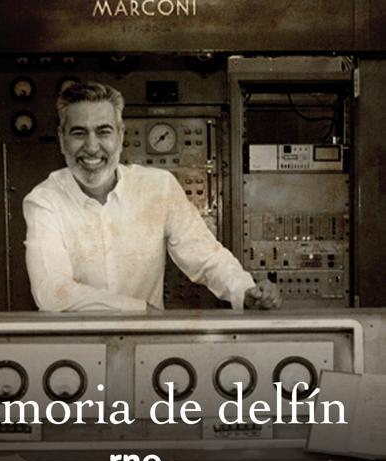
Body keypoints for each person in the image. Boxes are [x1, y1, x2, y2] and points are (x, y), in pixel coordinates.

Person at [23, 81, 281, 312]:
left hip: (145, 343)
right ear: (62, 139)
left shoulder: (159, 187)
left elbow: (205, 256)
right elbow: (52, 293)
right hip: (78, 345)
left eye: (103, 132)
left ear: (121, 135)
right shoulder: (44, 200)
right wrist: (141, 311)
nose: (92, 147)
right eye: (79, 133)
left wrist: (245, 291)